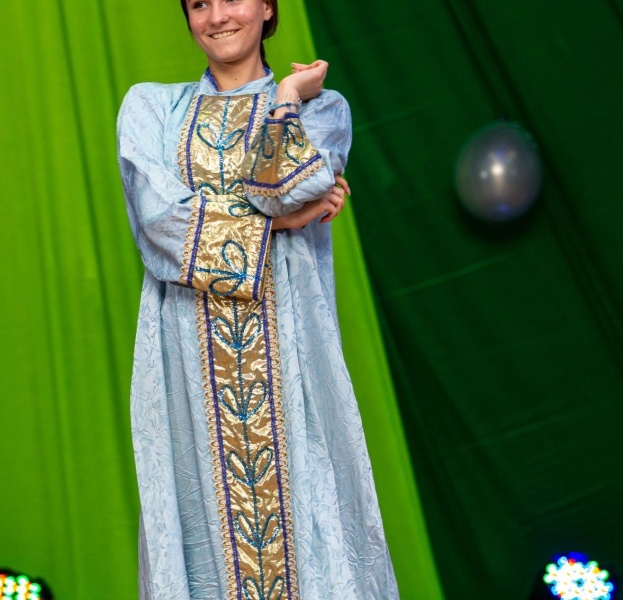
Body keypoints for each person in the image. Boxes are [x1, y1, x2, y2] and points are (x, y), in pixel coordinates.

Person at [116, 0, 399, 598]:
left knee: (309, 513)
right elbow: (158, 221)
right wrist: (282, 223)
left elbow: (279, 188)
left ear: (268, 6)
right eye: (198, 3)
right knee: (204, 527)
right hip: (187, 357)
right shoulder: (151, 107)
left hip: (292, 346)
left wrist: (288, 96)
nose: (217, 16)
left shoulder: (322, 108)